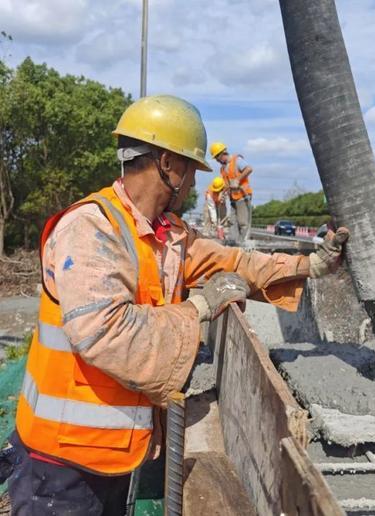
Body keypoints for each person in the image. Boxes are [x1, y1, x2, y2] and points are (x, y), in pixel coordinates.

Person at [7, 94, 349, 515]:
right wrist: (199, 309)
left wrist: (312, 264)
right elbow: (106, 335)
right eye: (191, 170)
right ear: (168, 164)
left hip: (115, 452)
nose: (193, 185)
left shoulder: (164, 235)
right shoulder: (92, 229)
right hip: (60, 465)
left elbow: (236, 262)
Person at [209, 141, 253, 242]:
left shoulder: (237, 160)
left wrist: (238, 180)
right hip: (233, 198)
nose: (217, 160)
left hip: (243, 196)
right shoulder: (223, 169)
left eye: (217, 157)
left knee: (243, 222)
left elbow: (249, 169)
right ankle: (233, 243)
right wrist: (223, 192)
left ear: (223, 153)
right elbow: (227, 184)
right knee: (233, 222)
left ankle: (243, 245)